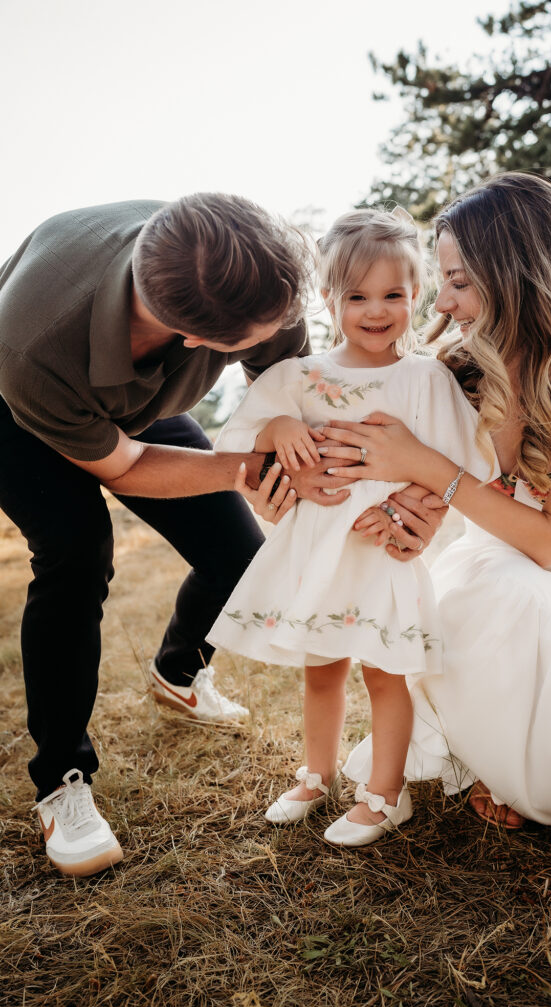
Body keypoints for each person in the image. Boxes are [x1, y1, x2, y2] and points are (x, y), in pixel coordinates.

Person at [0, 192, 354, 877]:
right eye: (255, 338)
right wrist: (246, 469)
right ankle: (60, 782)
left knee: (240, 558)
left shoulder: (249, 277)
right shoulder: (32, 344)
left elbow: (287, 384)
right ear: (196, 339)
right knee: (76, 555)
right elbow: (126, 468)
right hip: (20, 408)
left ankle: (179, 673)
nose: (283, 332)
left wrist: (290, 454)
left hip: (136, 403)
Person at [317, 172, 551, 828]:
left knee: (531, 608)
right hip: (503, 562)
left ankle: (527, 764)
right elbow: (416, 485)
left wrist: (427, 463)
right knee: (494, 589)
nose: (445, 303)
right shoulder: (461, 370)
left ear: (516, 272)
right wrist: (402, 516)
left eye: (458, 281)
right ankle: (495, 756)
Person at [207, 209, 486, 846]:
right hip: (317, 549)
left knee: (385, 670)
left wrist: (409, 503)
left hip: (382, 547)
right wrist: (279, 430)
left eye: (394, 294)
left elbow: (460, 459)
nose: (376, 309)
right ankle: (316, 772)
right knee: (323, 664)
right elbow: (241, 441)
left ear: (417, 296)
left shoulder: (423, 378)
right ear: (330, 299)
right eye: (357, 295)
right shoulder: (299, 377)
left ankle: (385, 795)